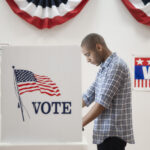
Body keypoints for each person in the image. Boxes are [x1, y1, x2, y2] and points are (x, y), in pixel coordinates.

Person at [81, 33, 135, 150]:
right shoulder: (104, 69)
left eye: (88, 55)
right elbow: (88, 96)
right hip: (104, 135)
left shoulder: (116, 66)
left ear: (99, 47)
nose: (87, 60)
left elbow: (101, 104)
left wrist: (80, 123)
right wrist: (66, 110)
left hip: (113, 136)